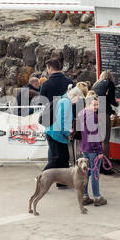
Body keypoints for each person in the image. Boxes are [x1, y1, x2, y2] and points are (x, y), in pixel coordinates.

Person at [40, 58, 74, 188]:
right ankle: (61, 181)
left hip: (51, 120)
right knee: (63, 152)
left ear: (50, 68)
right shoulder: (69, 82)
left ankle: (47, 178)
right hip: (65, 119)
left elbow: (41, 101)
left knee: (54, 152)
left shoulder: (47, 84)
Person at [44, 85, 83, 178]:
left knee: (63, 158)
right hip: (56, 134)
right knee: (57, 159)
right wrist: (67, 133)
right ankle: (41, 178)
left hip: (54, 132)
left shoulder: (63, 100)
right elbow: (62, 120)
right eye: (78, 99)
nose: (77, 102)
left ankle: (62, 181)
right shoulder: (66, 102)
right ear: (75, 96)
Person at [78, 94, 107, 207]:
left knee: (86, 173)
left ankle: (84, 196)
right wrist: (99, 151)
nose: (96, 107)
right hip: (92, 149)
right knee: (95, 174)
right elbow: (93, 135)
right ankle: (97, 197)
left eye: (97, 104)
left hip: (84, 147)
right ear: (88, 104)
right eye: (94, 104)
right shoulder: (92, 116)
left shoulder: (81, 113)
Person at [91, 70, 119, 175]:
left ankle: (97, 164)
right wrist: (115, 106)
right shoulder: (109, 84)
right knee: (105, 140)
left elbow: (102, 100)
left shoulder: (96, 84)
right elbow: (110, 99)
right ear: (110, 77)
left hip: (94, 113)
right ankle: (105, 166)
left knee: (98, 139)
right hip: (103, 114)